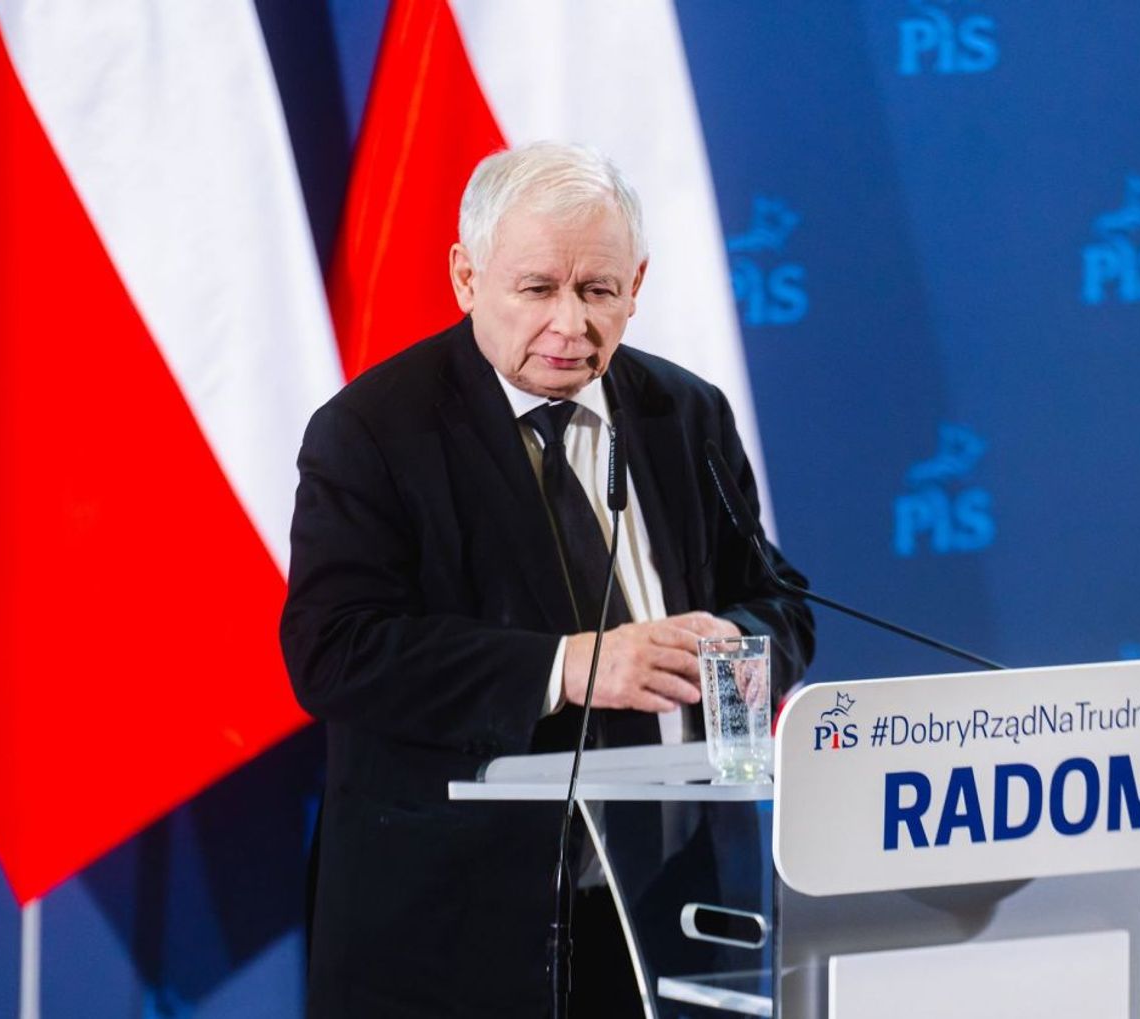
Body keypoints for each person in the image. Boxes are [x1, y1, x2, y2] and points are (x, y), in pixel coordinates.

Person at [281, 141, 814, 1018]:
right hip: (454, 937)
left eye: (598, 290)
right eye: (537, 289)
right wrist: (569, 666)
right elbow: (334, 651)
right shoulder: (373, 431)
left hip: (669, 918)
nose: (571, 325)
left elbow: (779, 600)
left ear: (637, 284)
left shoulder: (685, 413)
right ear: (466, 277)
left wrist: (738, 644)